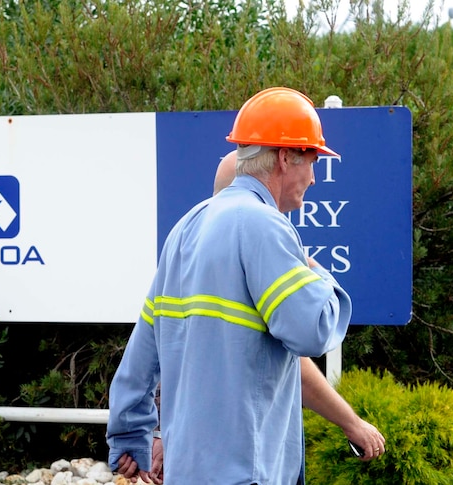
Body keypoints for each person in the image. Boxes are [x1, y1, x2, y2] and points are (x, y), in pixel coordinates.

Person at [106, 86, 354, 484]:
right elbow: (312, 331)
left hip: (187, 469)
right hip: (248, 469)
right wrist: (320, 275)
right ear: (286, 157)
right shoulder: (266, 225)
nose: (313, 177)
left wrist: (129, 432)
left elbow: (143, 349)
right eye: (312, 162)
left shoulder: (186, 226)